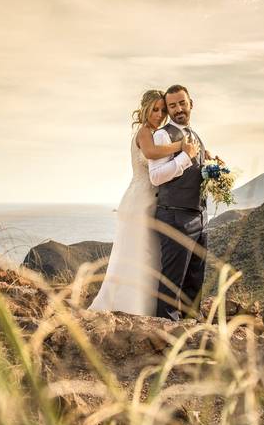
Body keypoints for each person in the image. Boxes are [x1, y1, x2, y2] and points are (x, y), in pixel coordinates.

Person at [87, 90, 197, 315]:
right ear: (145, 109)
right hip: (138, 201)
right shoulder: (145, 133)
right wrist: (182, 148)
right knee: (134, 253)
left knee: (150, 254)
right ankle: (124, 306)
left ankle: (146, 306)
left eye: (163, 110)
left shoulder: (159, 133)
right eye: (155, 110)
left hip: (154, 202)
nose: (159, 114)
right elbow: (151, 153)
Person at [148, 84, 208, 320]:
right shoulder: (162, 135)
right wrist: (185, 157)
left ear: (191, 103)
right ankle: (165, 334)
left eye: (182, 103)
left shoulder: (195, 135)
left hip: (199, 215)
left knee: (196, 277)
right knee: (173, 283)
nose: (178, 108)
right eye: (172, 105)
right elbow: (156, 176)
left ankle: (193, 327)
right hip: (174, 217)